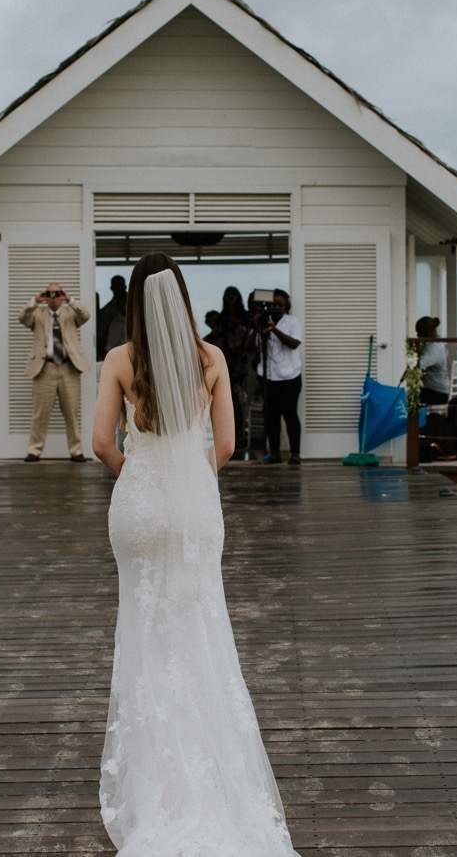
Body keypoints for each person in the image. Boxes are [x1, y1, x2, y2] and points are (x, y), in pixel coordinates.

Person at [91, 253, 300, 856]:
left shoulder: (119, 360)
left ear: (133, 301)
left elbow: (102, 442)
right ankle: (207, 772)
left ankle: (156, 779)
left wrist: (143, 477)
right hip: (194, 507)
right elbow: (230, 443)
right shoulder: (211, 357)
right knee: (200, 629)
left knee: (144, 630)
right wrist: (188, 476)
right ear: (181, 296)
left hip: (139, 508)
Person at [20, 282, 91, 462]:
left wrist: (69, 299)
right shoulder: (38, 314)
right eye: (50, 294)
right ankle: (34, 451)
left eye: (56, 294)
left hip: (69, 368)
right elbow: (22, 317)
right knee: (40, 413)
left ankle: (76, 451)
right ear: (45, 296)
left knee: (72, 413)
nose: (53, 298)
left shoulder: (70, 313)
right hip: (45, 368)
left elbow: (86, 315)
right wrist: (36, 301)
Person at [252, 288, 303, 465]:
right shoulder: (264, 322)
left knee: (290, 415)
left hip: (289, 375)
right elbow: (251, 347)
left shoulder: (292, 322)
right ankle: (274, 453)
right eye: (273, 304)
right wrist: (256, 327)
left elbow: (294, 344)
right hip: (268, 375)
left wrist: (274, 330)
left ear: (286, 305)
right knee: (271, 416)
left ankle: (295, 453)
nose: (276, 307)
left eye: (280, 304)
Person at [215, 286, 253, 457]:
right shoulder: (222, 318)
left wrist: (240, 357)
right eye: (228, 295)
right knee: (227, 396)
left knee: (239, 398)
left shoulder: (246, 317)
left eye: (234, 295)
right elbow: (219, 338)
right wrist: (227, 358)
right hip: (226, 360)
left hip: (242, 362)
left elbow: (250, 340)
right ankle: (230, 433)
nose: (231, 297)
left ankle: (239, 432)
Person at [416, 315, 451, 406]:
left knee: (409, 396)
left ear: (426, 333)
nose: (417, 337)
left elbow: (419, 364)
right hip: (440, 389)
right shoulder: (439, 344)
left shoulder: (433, 348)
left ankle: (415, 419)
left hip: (437, 392)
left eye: (419, 333)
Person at [95, 275, 128, 360]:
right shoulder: (107, 313)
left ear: (125, 286)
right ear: (112, 288)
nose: (120, 288)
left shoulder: (137, 309)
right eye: (117, 286)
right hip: (116, 354)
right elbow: (100, 335)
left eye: (121, 286)